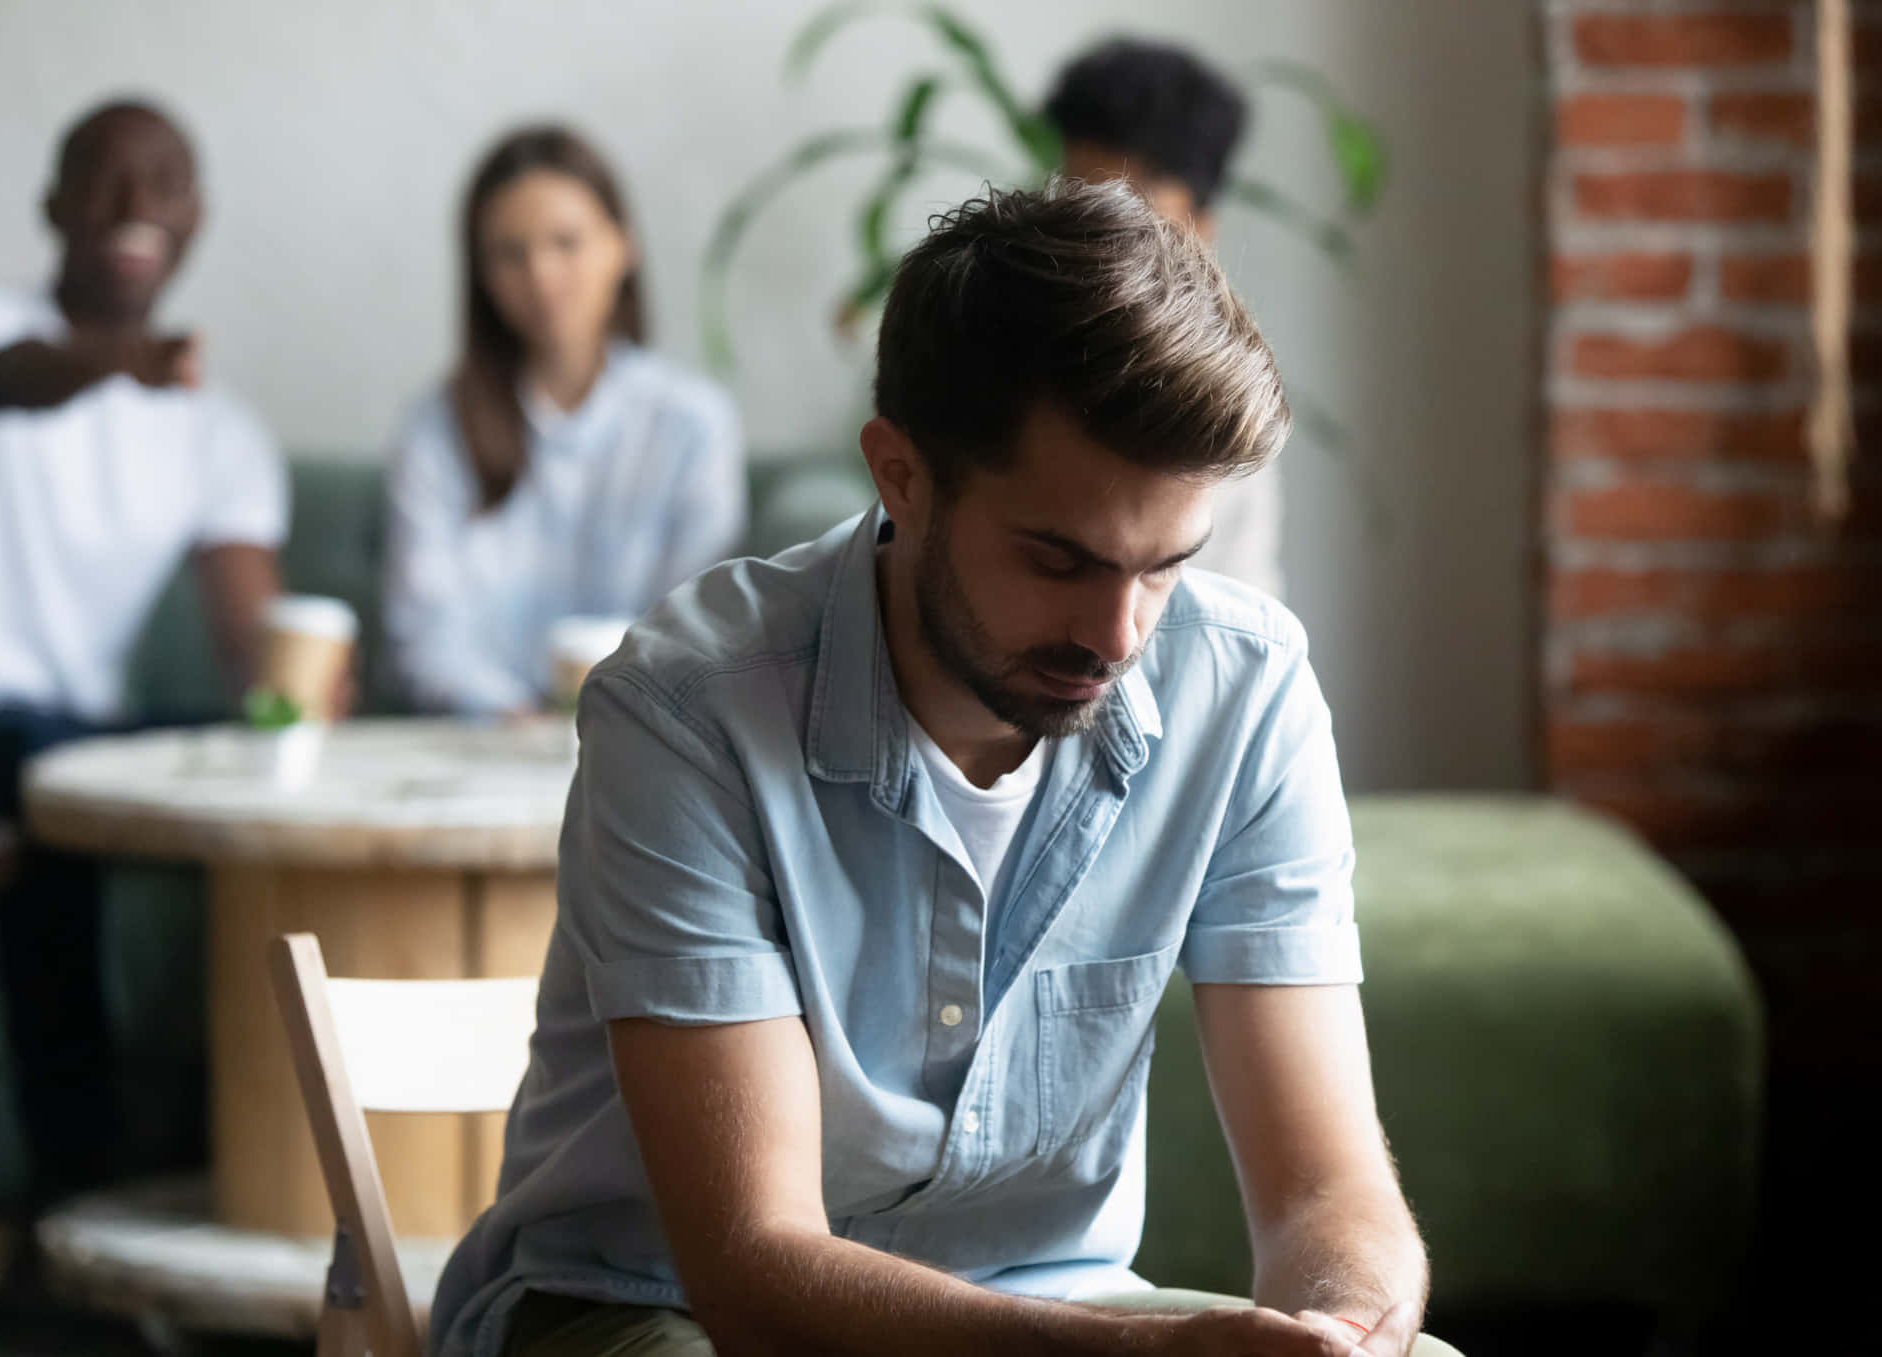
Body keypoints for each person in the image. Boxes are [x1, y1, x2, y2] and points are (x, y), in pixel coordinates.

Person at [431, 181, 1447, 1357]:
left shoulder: (1246, 691)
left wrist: (1348, 1327)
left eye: (1165, 566)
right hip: (648, 1306)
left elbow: (1327, 1192)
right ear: (900, 475)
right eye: (1059, 559)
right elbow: (755, 1276)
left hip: (1061, 1305)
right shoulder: (687, 711)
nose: (1119, 636)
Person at [0, 99, 288, 1199]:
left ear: (197, 215)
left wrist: (289, 709)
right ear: (54, 201)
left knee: (225, 783)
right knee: (55, 790)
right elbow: (0, 379)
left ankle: (251, 1161)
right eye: (106, 176)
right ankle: (75, 1192)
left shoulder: (218, 429)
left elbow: (255, 632)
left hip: (79, 746)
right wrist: (121, 362)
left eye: (166, 180)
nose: (136, 203)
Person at [385, 126, 746, 717]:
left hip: (647, 739)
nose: (541, 277)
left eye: (566, 243)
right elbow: (423, 635)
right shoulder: (436, 425)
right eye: (510, 253)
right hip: (478, 740)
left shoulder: (692, 424)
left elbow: (697, 625)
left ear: (621, 244)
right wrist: (510, 717)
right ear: (481, 274)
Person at [1047, 37, 1285, 600]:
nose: (1096, 243)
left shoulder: (1226, 403)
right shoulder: (993, 345)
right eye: (1075, 205)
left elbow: (1243, 619)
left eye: (1131, 215)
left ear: (1200, 225)